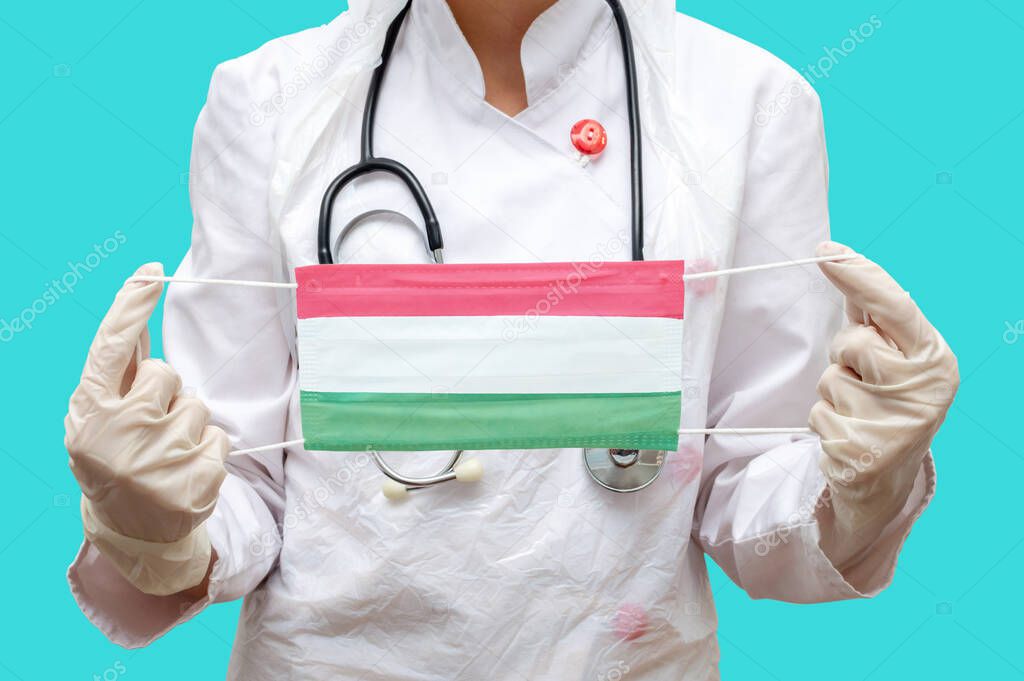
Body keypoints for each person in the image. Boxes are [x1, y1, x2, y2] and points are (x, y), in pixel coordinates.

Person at [64, 1, 958, 678]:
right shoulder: (269, 100)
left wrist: (862, 481)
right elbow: (242, 494)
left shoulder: (747, 104)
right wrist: (151, 518)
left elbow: (751, 505)